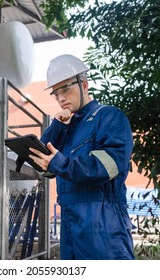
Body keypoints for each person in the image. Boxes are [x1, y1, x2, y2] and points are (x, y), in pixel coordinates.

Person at [29, 54, 135, 260]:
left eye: (65, 89)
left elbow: (106, 166)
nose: (60, 98)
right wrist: (56, 127)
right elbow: (42, 162)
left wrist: (61, 163)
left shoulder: (110, 117)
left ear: (84, 85)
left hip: (103, 224)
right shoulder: (66, 128)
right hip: (70, 223)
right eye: (55, 93)